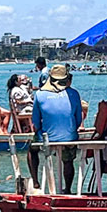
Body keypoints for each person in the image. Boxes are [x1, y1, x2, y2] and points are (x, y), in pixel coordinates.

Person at [31, 63, 85, 192]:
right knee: (68, 160)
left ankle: (36, 182)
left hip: (47, 138)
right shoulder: (74, 93)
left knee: (31, 150)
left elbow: (36, 123)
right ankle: (68, 188)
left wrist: (40, 130)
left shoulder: (39, 94)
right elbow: (78, 119)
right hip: (69, 137)